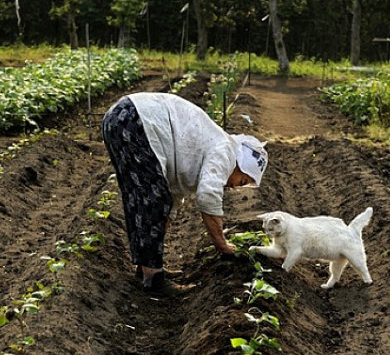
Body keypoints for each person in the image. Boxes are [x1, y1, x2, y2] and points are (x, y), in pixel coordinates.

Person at [101, 92, 268, 297]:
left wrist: (162, 222)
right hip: (135, 119)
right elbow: (207, 196)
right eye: (241, 181)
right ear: (239, 165)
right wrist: (222, 245)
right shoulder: (225, 152)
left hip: (121, 118)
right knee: (152, 199)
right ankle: (153, 278)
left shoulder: (214, 147)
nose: (235, 186)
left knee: (144, 198)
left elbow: (172, 199)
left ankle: (147, 268)